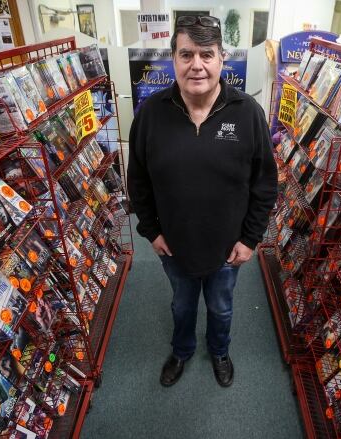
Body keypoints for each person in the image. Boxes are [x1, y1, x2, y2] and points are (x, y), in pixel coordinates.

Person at [127, 14, 277, 388]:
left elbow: (265, 184)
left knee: (221, 307)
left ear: (221, 59)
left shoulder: (248, 114)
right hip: (174, 248)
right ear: (173, 59)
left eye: (206, 54)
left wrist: (250, 240)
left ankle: (220, 350)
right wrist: (151, 231)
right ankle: (182, 351)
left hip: (228, 250)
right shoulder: (150, 115)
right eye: (186, 54)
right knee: (181, 305)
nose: (197, 65)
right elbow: (138, 181)